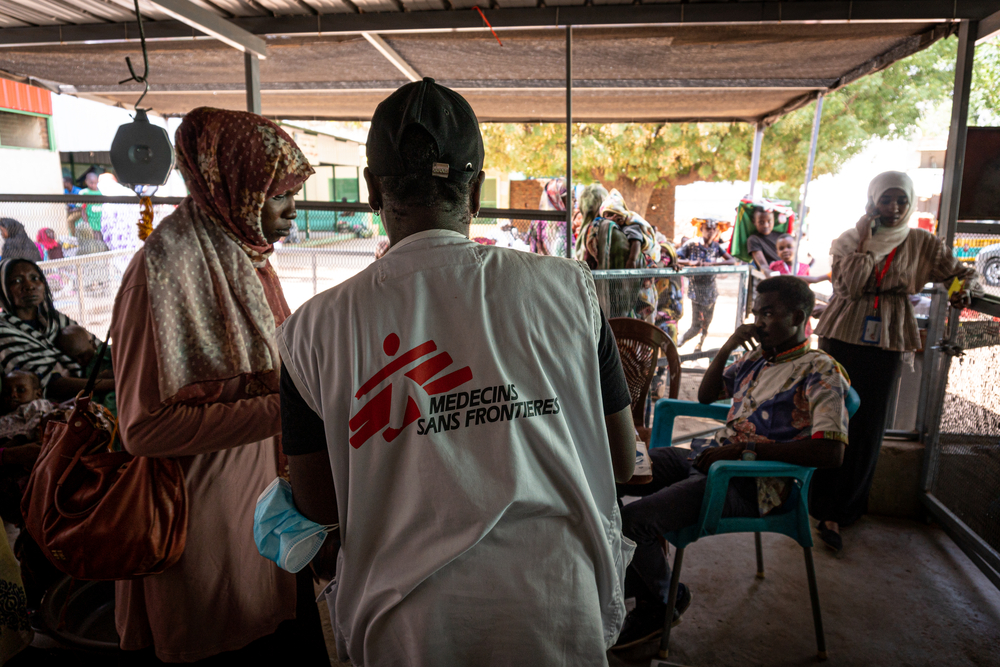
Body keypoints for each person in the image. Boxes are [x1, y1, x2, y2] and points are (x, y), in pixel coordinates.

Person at [277, 78, 637, 666]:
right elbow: (621, 461)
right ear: (474, 193)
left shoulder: (312, 332)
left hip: (405, 630)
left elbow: (321, 513)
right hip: (555, 606)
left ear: (372, 189)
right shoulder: (569, 291)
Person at [109, 107, 327, 663]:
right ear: (233, 188)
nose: (292, 213)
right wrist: (284, 408)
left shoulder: (246, 258)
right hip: (199, 530)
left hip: (255, 511)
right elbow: (142, 428)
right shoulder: (161, 276)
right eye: (279, 197)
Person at [613, 276, 850, 650]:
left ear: (798, 316)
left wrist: (746, 450)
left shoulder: (820, 370)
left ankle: (663, 600)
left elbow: (830, 453)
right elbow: (708, 395)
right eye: (756, 313)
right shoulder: (758, 358)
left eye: (768, 313)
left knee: (633, 522)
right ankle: (639, 581)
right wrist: (729, 345)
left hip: (752, 483)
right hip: (709, 459)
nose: (758, 322)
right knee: (612, 477)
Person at [811, 171, 978, 553]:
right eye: (886, 200)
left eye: (901, 200)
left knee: (868, 423)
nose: (895, 208)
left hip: (886, 338)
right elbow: (847, 285)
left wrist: (959, 294)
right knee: (828, 415)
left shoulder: (922, 242)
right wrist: (868, 244)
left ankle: (844, 509)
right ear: (872, 202)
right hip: (842, 332)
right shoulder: (851, 239)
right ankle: (816, 502)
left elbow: (960, 274)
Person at [0, 258, 110, 400]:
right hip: (55, 407)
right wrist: (114, 384)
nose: (29, 286)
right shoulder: (4, 332)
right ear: (2, 288)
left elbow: (99, 352)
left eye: (34, 278)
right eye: (17, 281)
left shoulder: (55, 320)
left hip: (93, 389)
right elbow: (51, 386)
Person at [676, 219, 736, 352]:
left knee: (706, 324)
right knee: (696, 325)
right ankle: (679, 343)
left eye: (713, 229)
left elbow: (731, 260)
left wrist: (714, 263)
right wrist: (691, 263)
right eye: (707, 229)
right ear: (701, 229)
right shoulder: (692, 244)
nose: (710, 232)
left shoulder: (716, 247)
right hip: (696, 290)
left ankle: (699, 346)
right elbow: (675, 257)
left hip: (711, 291)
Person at [527, 177, 572, 257]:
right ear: (557, 198)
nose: (573, 202)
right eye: (569, 197)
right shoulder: (562, 222)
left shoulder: (537, 221)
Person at [80, 170, 104, 241]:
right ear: (86, 181)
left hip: (101, 222)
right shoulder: (84, 193)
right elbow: (82, 209)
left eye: (95, 183)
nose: (93, 185)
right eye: (91, 183)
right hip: (90, 223)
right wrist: (86, 224)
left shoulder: (102, 192)